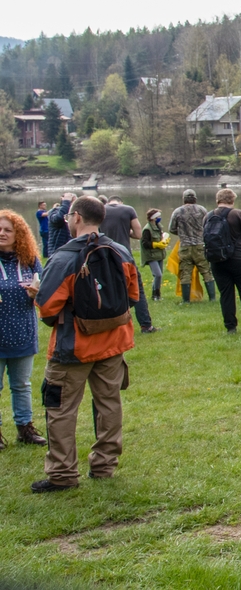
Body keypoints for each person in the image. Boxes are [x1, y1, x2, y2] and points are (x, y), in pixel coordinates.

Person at [32, 195, 139, 492]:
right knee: (109, 404)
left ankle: (63, 474)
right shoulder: (120, 252)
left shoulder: (64, 257)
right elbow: (132, 296)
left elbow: (48, 307)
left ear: (76, 217)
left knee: (60, 409)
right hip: (114, 343)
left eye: (68, 216)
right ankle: (104, 466)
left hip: (74, 347)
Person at [0, 209, 46, 450]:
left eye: (8, 230)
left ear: (19, 234)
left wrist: (37, 293)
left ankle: (25, 428)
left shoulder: (29, 260)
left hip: (22, 332)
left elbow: (46, 290)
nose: (2, 233)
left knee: (21, 384)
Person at [206, 189, 241, 334]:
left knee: (226, 294)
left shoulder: (209, 216)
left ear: (217, 200)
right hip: (238, 258)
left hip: (217, 260)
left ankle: (230, 327)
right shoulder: (237, 214)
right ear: (232, 200)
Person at [101, 196, 157, 333]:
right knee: (137, 291)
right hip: (124, 257)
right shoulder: (128, 210)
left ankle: (111, 326)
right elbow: (138, 234)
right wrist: (127, 231)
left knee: (108, 291)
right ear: (121, 202)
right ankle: (146, 325)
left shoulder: (100, 210)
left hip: (104, 257)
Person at [168, 189, 215, 303]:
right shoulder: (202, 209)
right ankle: (212, 298)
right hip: (200, 245)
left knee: (185, 273)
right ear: (195, 199)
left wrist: (183, 234)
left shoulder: (177, 211)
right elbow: (208, 226)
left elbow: (171, 229)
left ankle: (186, 300)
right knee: (206, 271)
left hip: (185, 246)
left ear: (183, 199)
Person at [139, 208, 168, 302]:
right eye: (158, 217)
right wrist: (156, 245)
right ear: (153, 218)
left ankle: (155, 295)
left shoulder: (158, 226)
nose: (160, 218)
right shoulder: (147, 229)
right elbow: (144, 243)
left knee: (158, 276)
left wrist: (164, 240)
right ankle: (156, 295)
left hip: (159, 255)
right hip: (151, 256)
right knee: (158, 275)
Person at [46, 192, 75, 257]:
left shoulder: (75, 215)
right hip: (57, 252)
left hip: (70, 251)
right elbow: (59, 218)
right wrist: (66, 202)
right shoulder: (54, 211)